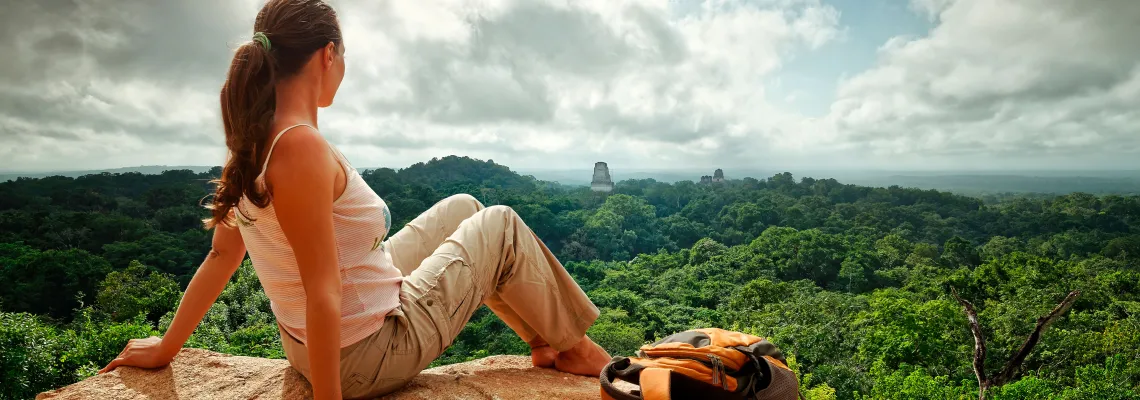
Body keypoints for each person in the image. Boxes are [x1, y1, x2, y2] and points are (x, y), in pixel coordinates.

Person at [97, 0, 612, 398]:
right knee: (499, 223)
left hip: (325, 335)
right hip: (365, 354)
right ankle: (579, 350)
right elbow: (324, 292)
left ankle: (545, 342)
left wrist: (168, 347)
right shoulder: (298, 147)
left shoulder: (258, 139)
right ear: (328, 55)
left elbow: (221, 255)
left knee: (464, 208)